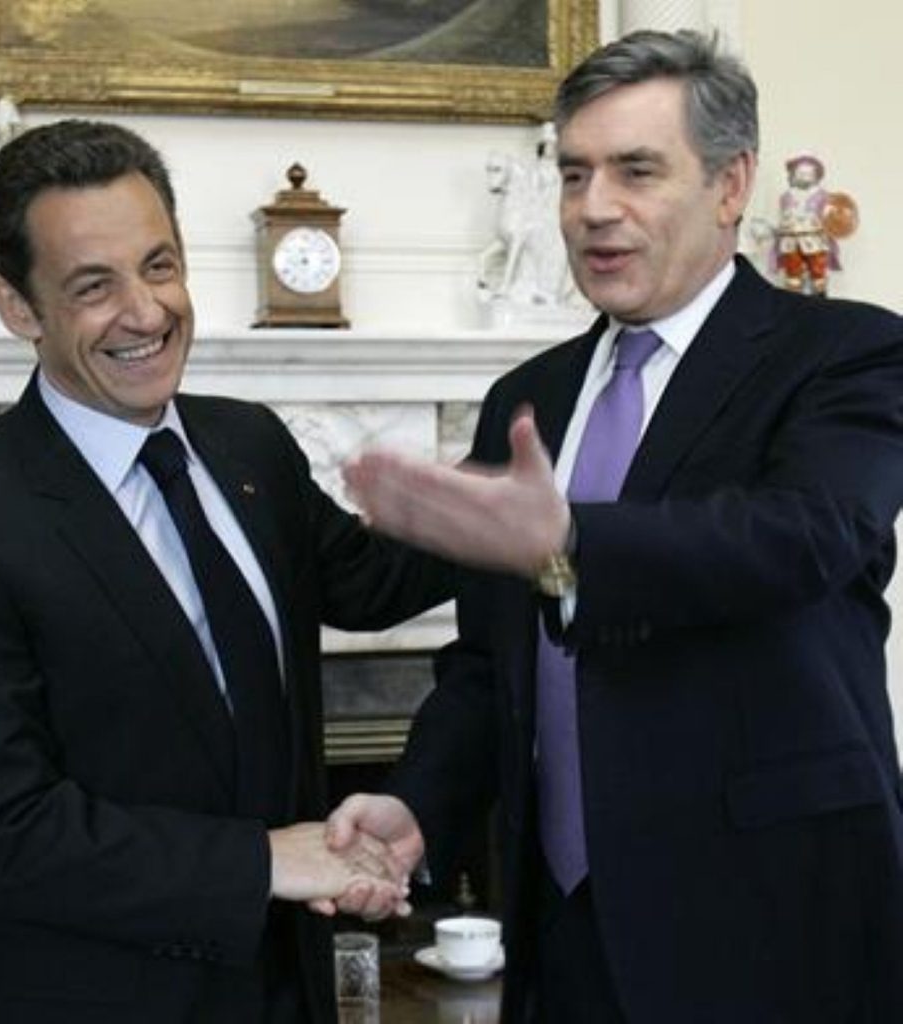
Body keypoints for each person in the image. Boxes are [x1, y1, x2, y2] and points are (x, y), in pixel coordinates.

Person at [330, 29, 903, 1023]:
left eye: (637, 170)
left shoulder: (843, 353)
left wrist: (564, 542)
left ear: (731, 186)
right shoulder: (529, 393)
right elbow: (489, 664)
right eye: (574, 172)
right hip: (565, 928)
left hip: (773, 922)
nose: (594, 209)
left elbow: (801, 536)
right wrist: (419, 802)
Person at [0, 120, 447, 1023]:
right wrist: (268, 861)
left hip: (281, 991)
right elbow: (5, 833)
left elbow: (369, 584)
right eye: (93, 286)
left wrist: (514, 520)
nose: (145, 313)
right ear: (17, 307)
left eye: (159, 266)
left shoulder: (248, 442)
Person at [774, 153, 838, 295]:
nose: (804, 176)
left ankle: (819, 300)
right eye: (800, 173)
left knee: (817, 272)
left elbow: (831, 217)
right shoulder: (786, 196)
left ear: (816, 175)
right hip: (791, 240)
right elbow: (781, 217)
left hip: (814, 239)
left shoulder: (823, 196)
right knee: (792, 273)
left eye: (808, 173)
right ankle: (794, 304)